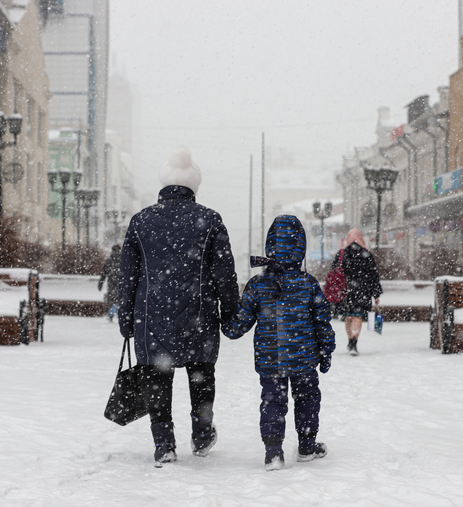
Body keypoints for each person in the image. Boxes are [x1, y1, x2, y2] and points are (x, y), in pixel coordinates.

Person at [118, 146, 239, 467]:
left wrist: (126, 318)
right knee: (201, 376)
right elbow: (225, 274)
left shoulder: (140, 221)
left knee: (157, 379)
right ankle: (201, 435)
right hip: (198, 317)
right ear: (194, 187)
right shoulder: (210, 220)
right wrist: (230, 313)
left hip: (151, 317)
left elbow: (127, 276)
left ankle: (164, 444)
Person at [222, 215, 336, 471]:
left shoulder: (258, 285)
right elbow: (322, 321)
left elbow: (238, 325)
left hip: (270, 358)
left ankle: (273, 452)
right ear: (301, 249)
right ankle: (307, 445)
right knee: (307, 398)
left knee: (273, 401)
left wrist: (224, 322)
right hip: (304, 357)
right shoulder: (308, 285)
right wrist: (326, 349)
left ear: (269, 246)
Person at [338, 228, 382, 356]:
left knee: (348, 316)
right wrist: (376, 294)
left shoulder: (343, 253)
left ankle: (350, 339)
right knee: (357, 316)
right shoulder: (366, 254)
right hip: (363, 290)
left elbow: (336, 273)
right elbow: (373, 275)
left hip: (347, 290)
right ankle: (354, 342)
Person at [98, 245, 122, 321]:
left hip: (111, 283)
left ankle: (112, 314)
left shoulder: (109, 260)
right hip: (121, 283)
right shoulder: (123, 259)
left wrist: (100, 284)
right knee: (119, 300)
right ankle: (118, 316)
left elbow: (103, 273)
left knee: (113, 300)